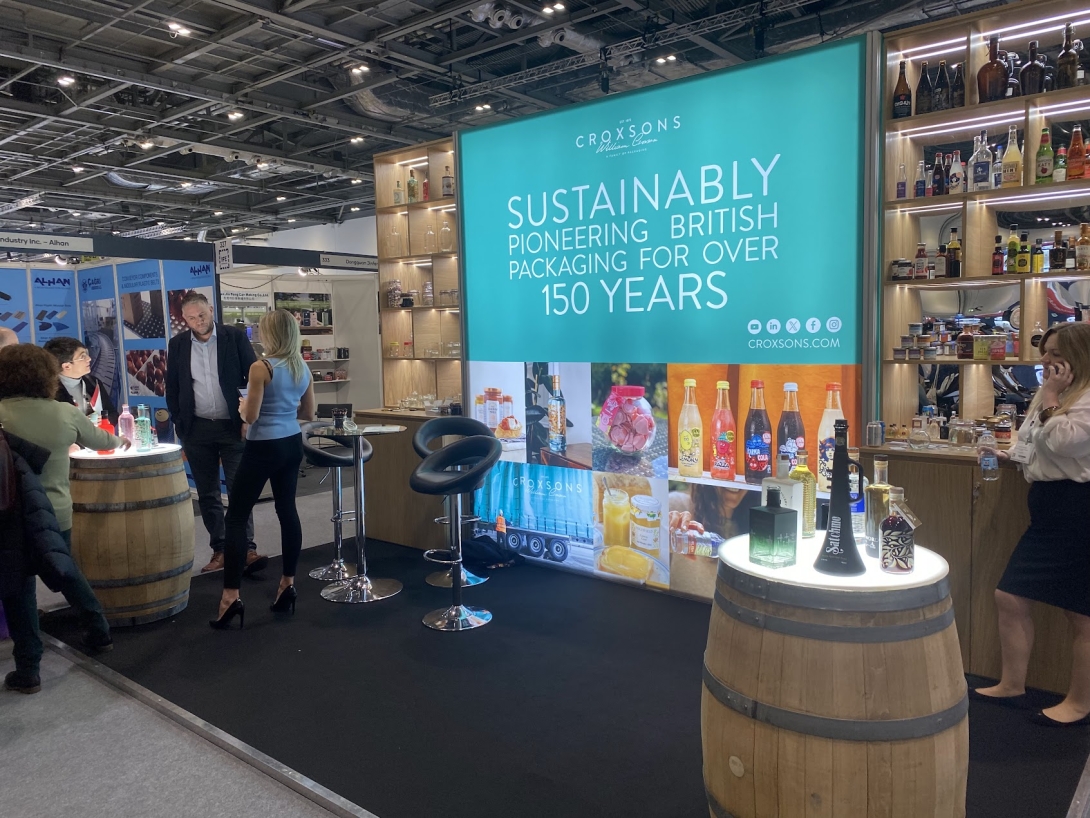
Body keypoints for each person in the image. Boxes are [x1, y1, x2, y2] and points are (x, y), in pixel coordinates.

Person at [974, 322, 1090, 726]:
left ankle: (1079, 704)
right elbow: (1032, 440)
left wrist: (1053, 397)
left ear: (1078, 356)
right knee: (1010, 595)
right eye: (1045, 352)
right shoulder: (1051, 392)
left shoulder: (1079, 395)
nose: (1046, 360)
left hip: (1078, 507)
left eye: (1056, 353)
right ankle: (1012, 684)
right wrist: (1012, 456)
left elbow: (1065, 442)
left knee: (1081, 613)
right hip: (1048, 508)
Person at [0, 344, 130, 656]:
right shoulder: (65, 413)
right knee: (67, 573)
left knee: (18, 590)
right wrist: (122, 439)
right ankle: (99, 630)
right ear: (48, 376)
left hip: (9, 517)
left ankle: (28, 665)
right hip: (55, 513)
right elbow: (102, 441)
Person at [211, 309, 315, 629]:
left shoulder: (262, 367)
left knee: (236, 517)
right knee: (287, 511)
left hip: (263, 446)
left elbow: (250, 416)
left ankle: (230, 596)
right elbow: (309, 413)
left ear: (269, 334)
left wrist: (243, 406)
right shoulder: (302, 367)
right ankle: (287, 584)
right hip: (291, 444)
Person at [166, 292, 267, 575]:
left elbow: (252, 379)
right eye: (191, 318)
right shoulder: (178, 344)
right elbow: (172, 386)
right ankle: (220, 550)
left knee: (239, 490)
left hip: (232, 426)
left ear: (211, 310)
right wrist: (179, 422)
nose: (198, 321)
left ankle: (246, 548)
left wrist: (248, 418)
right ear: (183, 319)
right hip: (196, 428)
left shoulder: (233, 337)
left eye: (202, 315)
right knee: (208, 494)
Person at [43, 336, 119, 426]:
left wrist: (104, 420)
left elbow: (113, 414)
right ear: (67, 366)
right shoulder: (48, 391)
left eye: (87, 354)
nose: (89, 359)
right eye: (83, 356)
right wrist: (82, 424)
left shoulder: (93, 382)